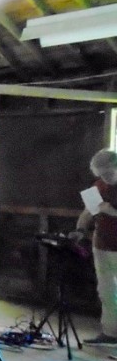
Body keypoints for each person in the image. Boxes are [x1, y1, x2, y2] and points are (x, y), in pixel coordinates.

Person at [71, 148, 117, 345]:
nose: (105, 178)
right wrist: (80, 230)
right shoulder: (97, 187)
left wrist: (112, 211)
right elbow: (87, 212)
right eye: (101, 174)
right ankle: (110, 332)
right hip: (102, 245)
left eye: (108, 173)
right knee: (106, 291)